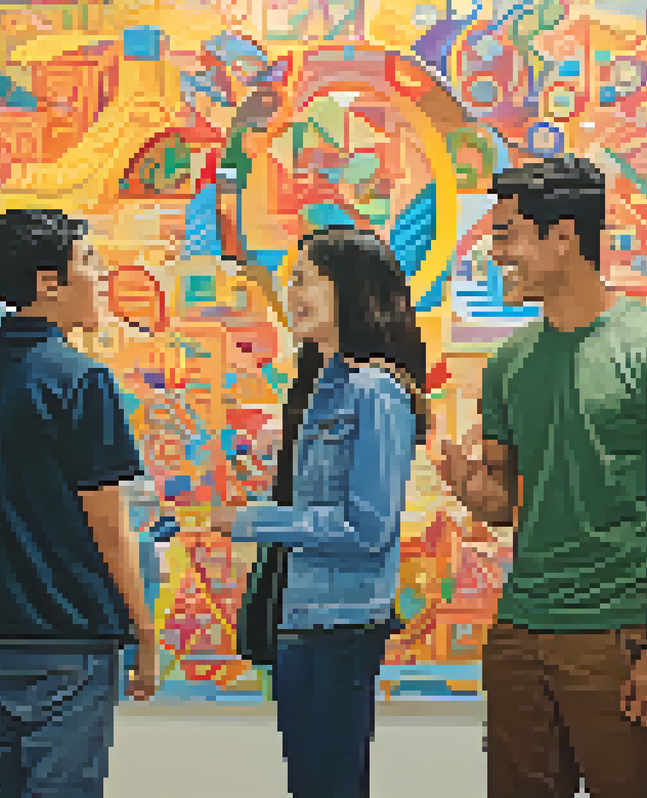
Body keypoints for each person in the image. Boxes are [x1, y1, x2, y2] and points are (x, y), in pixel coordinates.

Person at [438, 156, 647, 798]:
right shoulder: (508, 365)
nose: (495, 253)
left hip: (615, 636)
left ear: (563, 235)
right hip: (519, 631)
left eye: (507, 235)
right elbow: (509, 503)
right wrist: (470, 488)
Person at [0, 208, 156, 798]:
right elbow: (111, 531)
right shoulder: (81, 380)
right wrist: (144, 629)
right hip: (69, 639)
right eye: (89, 262)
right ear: (48, 283)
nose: (101, 276)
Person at [210, 226, 425, 798]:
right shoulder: (322, 385)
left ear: (349, 286)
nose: (293, 294)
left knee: (327, 784)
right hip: (301, 616)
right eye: (291, 281)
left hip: (339, 623)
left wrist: (252, 520)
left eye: (305, 279)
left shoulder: (374, 391)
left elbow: (368, 527)